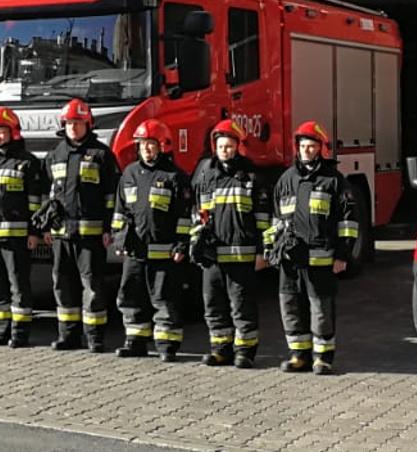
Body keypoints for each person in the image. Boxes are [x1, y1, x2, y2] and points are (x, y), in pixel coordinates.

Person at [266, 121, 362, 375]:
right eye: (303, 146)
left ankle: (322, 357)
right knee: (291, 306)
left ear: (321, 148)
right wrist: (271, 249)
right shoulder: (285, 180)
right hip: (290, 260)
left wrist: (343, 254)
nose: (307, 151)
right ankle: (299, 355)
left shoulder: (334, 181)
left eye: (312, 146)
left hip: (321, 258)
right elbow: (275, 220)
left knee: (320, 309)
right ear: (296, 148)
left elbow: (348, 221)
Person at [38, 99, 120, 352]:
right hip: (61, 236)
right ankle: (68, 336)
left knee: (92, 286)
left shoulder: (102, 155)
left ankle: (95, 337)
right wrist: (44, 227)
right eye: (70, 123)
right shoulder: (55, 155)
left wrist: (109, 228)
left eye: (79, 123)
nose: (74, 128)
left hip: (91, 236)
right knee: (63, 285)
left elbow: (112, 195)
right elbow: (46, 195)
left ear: (88, 124)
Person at [190, 119, 270, 367]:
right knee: (214, 304)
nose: (225, 150)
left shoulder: (252, 176)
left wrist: (262, 251)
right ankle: (220, 349)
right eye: (221, 146)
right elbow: (198, 213)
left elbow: (262, 219)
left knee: (242, 305)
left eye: (229, 146)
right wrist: (197, 241)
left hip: (242, 255)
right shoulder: (206, 177)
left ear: (238, 146)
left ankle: (245, 351)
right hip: (213, 256)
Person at [113, 120, 194, 362]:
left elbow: (184, 216)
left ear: (162, 146)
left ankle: (167, 343)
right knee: (131, 296)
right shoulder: (129, 174)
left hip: (165, 253)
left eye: (151, 144)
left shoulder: (175, 177)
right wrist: (119, 240)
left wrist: (182, 245)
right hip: (135, 252)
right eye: (142, 144)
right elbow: (120, 212)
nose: (146, 149)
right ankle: (135, 340)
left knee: (164, 297)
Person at [0, 106, 51, 348]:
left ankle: (20, 333)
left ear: (14, 133)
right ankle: (2, 331)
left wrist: (34, 232)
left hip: (17, 236)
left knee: (18, 285)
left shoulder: (28, 163)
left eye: (3, 130)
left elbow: (35, 202)